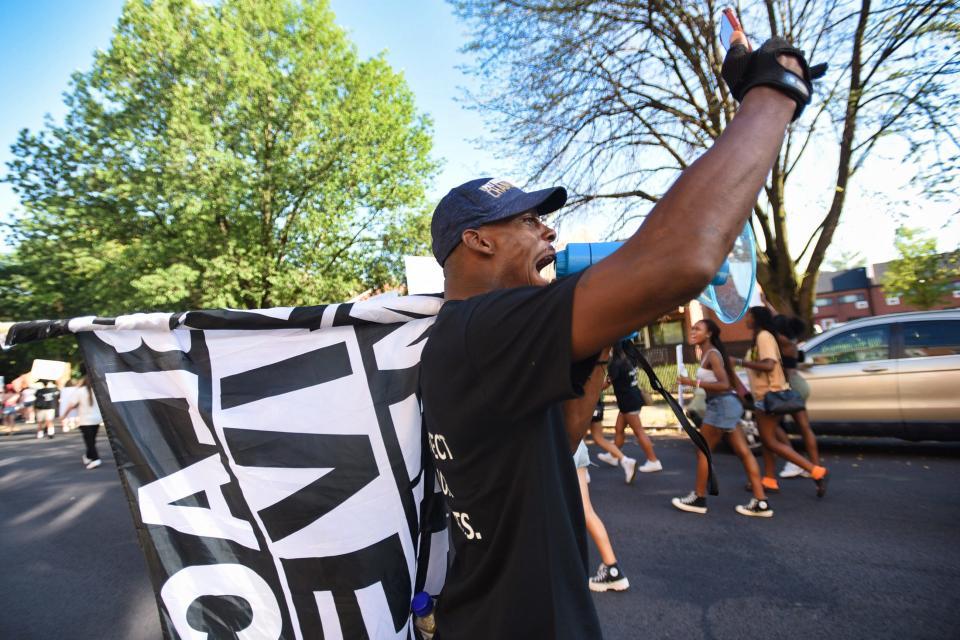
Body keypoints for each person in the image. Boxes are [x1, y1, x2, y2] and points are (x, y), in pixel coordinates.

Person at [419, 34, 822, 638]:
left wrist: (602, 336)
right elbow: (684, 257)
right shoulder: (486, 326)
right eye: (530, 220)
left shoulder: (466, 338)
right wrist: (773, 88)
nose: (550, 234)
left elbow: (560, 438)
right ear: (478, 240)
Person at [673, 319, 771, 516]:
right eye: (692, 328)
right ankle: (761, 502)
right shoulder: (710, 353)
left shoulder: (713, 355)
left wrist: (692, 382)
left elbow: (725, 384)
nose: (692, 331)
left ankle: (699, 498)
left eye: (697, 329)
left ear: (708, 334)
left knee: (702, 450)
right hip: (726, 405)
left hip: (721, 405)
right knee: (744, 452)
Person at [735, 307, 829, 497]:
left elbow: (769, 365)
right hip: (765, 395)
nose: (746, 319)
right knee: (768, 440)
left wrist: (738, 361)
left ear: (757, 319)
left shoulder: (764, 337)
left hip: (770, 395)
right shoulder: (764, 337)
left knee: (770, 441)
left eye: (749, 316)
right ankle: (769, 480)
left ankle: (816, 471)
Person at [772, 313, 820, 479]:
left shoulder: (781, 341)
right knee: (804, 427)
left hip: (790, 386)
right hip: (799, 384)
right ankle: (814, 466)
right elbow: (776, 318)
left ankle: (794, 460)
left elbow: (770, 327)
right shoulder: (791, 339)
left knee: (771, 424)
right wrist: (767, 305)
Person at [604, 340, 661, 473]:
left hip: (628, 401)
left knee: (639, 431)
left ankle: (653, 461)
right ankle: (613, 455)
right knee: (618, 428)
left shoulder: (615, 364)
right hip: (632, 398)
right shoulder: (629, 360)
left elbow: (606, 384)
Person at [590, 347, 639, 483]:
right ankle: (624, 459)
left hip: (586, 403)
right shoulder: (609, 362)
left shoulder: (591, 361)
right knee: (599, 437)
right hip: (597, 402)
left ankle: (582, 472)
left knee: (577, 440)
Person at [61, 370, 103, 469]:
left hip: (85, 420)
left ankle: (96, 459)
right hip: (96, 419)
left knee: (89, 441)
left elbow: (71, 405)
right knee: (92, 440)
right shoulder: (98, 390)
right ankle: (88, 456)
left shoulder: (80, 391)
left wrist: (64, 415)